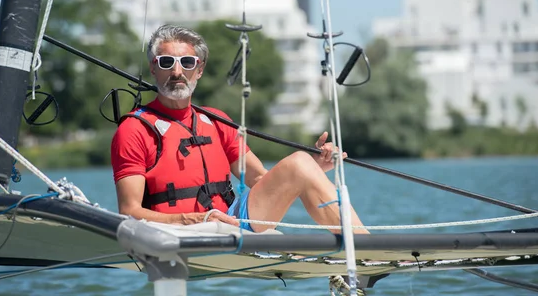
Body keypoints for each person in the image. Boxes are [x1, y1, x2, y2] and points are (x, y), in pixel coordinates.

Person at [111, 24, 368, 235]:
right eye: (167, 62)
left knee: (301, 162)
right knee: (300, 164)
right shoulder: (134, 129)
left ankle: (363, 248)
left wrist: (313, 169)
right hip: (179, 231)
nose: (177, 71)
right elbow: (129, 209)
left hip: (236, 220)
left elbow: (260, 179)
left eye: (187, 62)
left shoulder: (217, 120)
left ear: (199, 70)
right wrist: (194, 219)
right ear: (153, 68)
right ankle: (365, 249)